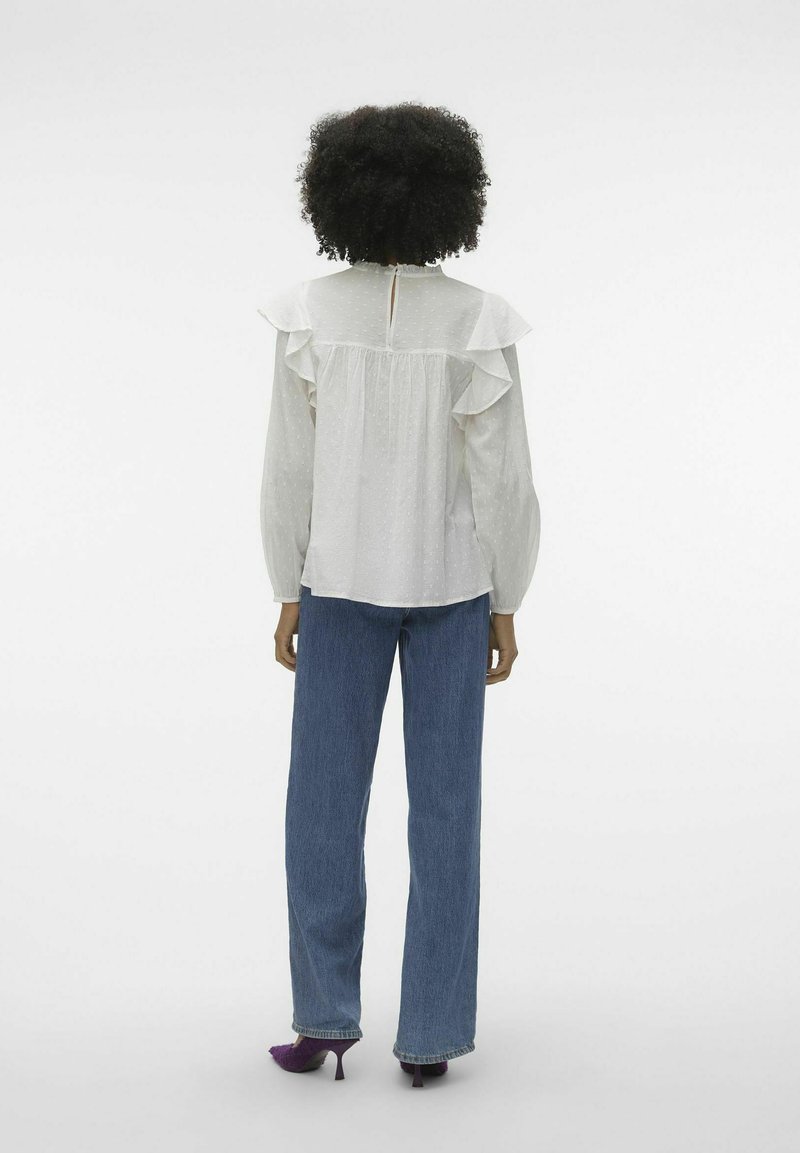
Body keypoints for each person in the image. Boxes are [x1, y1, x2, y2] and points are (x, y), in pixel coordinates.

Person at [259, 102, 541, 1088]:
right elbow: (504, 476)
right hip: (453, 586)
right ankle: (429, 1036)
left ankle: (323, 1020)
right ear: (452, 200)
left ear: (335, 194)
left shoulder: (307, 314)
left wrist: (284, 580)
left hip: (336, 583)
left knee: (321, 809)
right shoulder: (477, 320)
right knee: (448, 813)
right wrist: (507, 595)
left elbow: (286, 466)